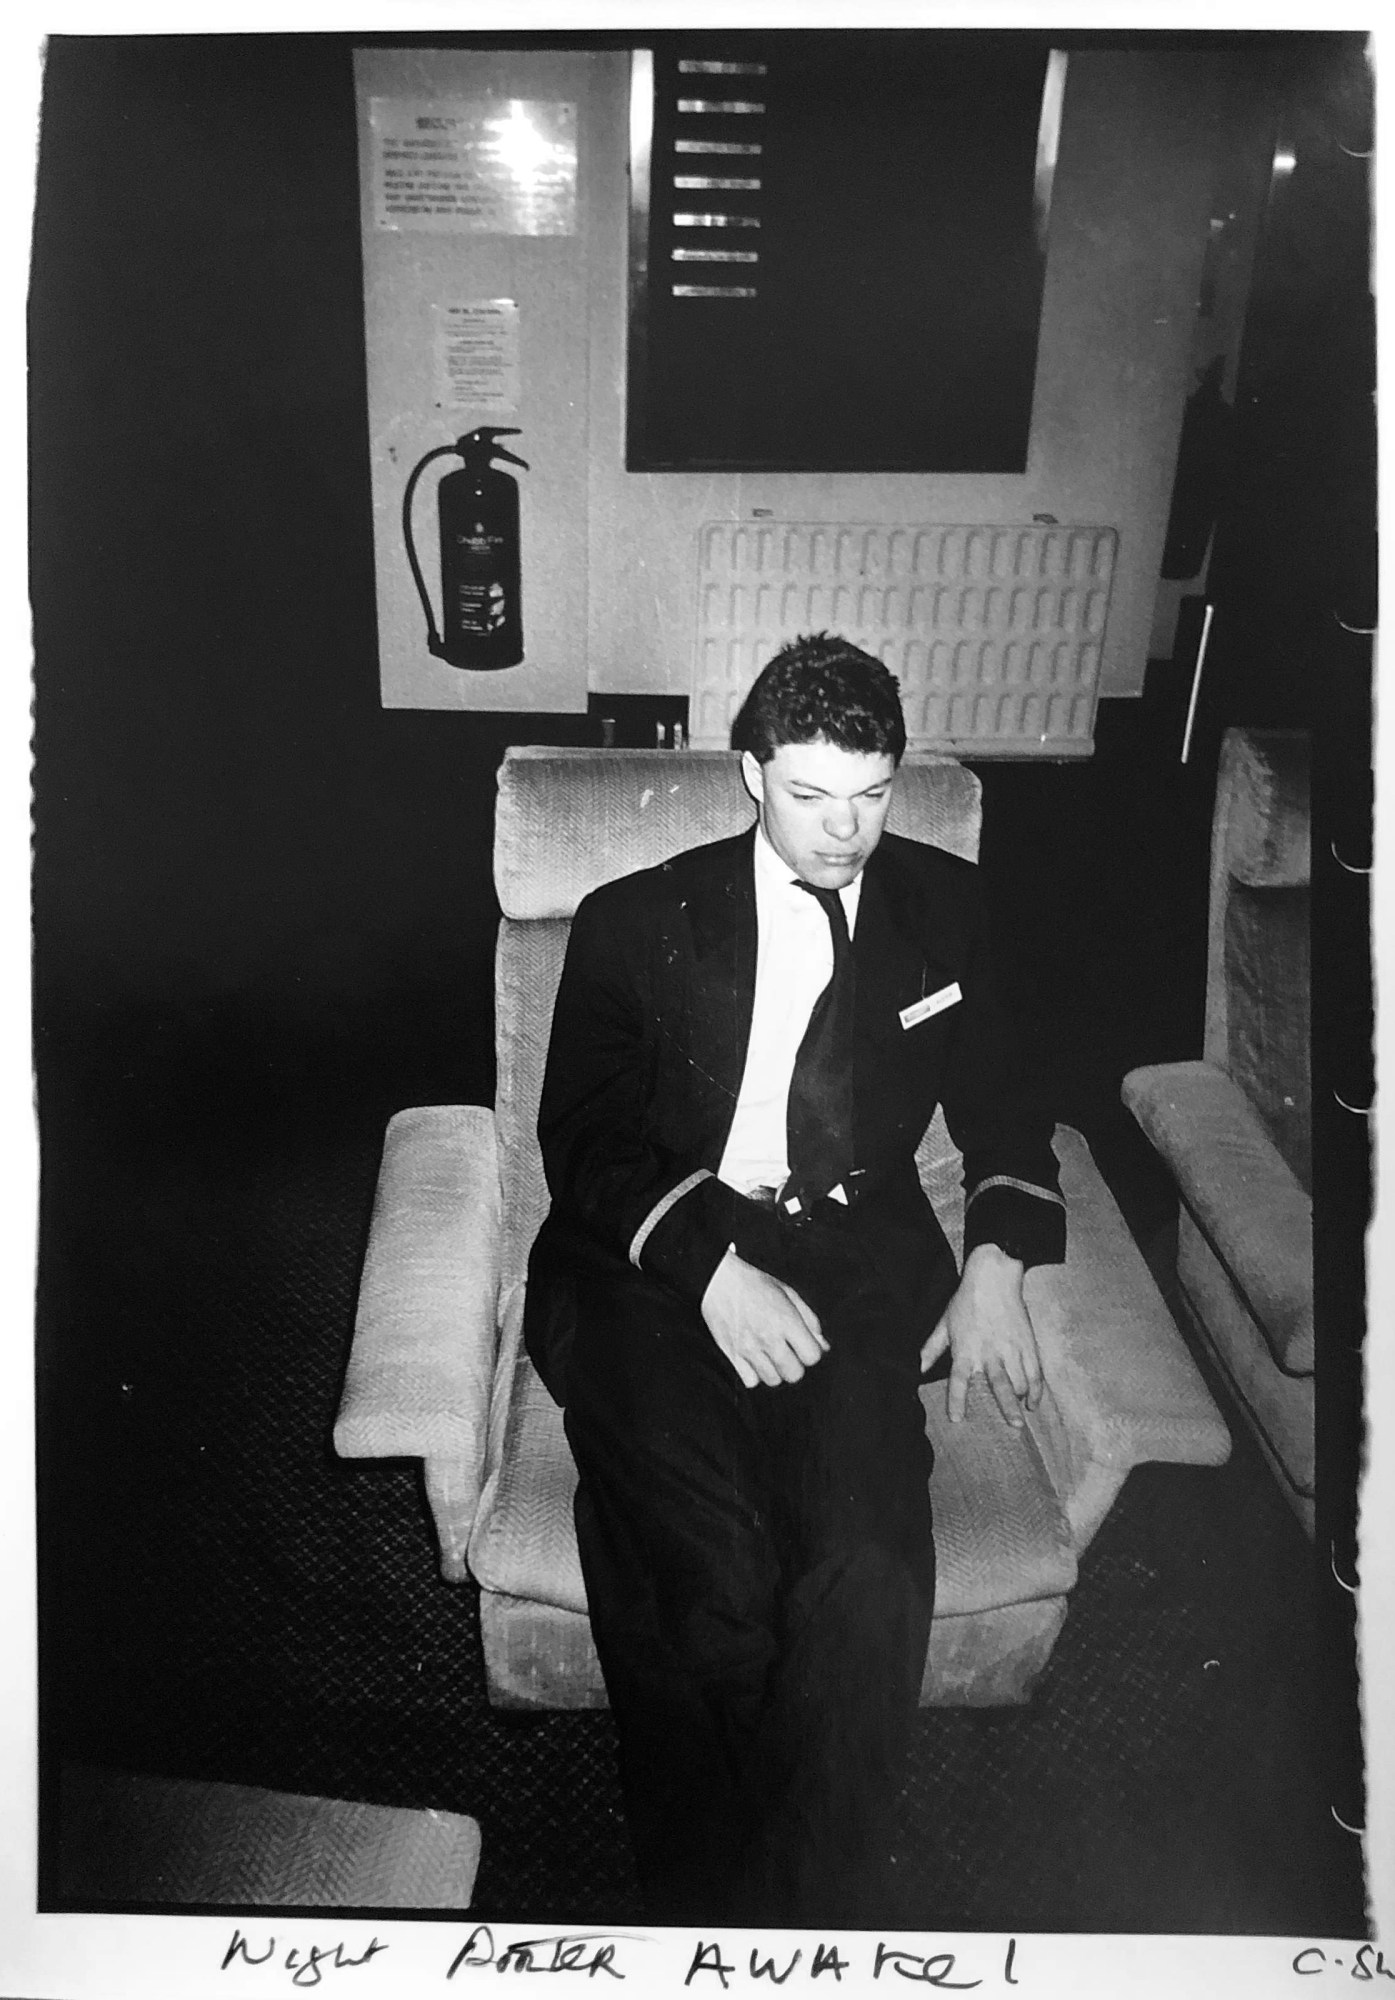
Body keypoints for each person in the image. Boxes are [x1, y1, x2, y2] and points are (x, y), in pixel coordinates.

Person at [523, 634, 1065, 1926]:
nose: (846, 832)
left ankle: (807, 1917)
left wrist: (996, 1261)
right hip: (654, 1256)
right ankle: (703, 1900)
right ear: (751, 775)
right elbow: (585, 1144)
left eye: (872, 794)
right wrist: (712, 1269)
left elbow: (1011, 1113)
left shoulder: (950, 906)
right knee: (715, 1569)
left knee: (867, 1566)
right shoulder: (636, 917)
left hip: (855, 1255)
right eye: (814, 796)